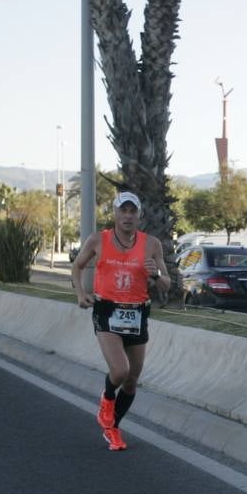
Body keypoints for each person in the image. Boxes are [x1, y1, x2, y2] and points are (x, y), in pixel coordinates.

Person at [70, 191, 169, 451]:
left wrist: (156, 275)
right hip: (107, 310)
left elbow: (167, 283)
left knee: (132, 379)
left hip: (137, 313)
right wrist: (80, 293)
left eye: (132, 211)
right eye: (123, 210)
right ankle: (107, 398)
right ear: (114, 213)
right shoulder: (98, 240)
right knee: (120, 371)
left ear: (139, 215)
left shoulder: (152, 244)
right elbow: (77, 266)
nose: (127, 216)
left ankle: (112, 427)